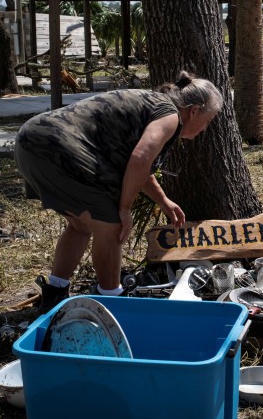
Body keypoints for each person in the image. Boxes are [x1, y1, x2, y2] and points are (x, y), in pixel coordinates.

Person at [15, 71, 222, 312]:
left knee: (80, 226)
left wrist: (163, 200)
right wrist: (124, 209)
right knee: (111, 223)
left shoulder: (152, 103)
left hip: (30, 141)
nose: (205, 128)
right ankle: (112, 301)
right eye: (208, 120)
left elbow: (140, 167)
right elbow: (140, 158)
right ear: (194, 110)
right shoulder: (170, 116)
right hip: (58, 146)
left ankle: (55, 292)